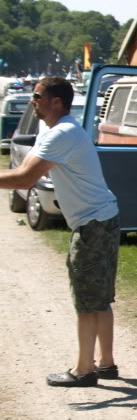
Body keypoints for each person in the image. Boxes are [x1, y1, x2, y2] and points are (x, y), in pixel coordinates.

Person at [0, 76, 120, 387]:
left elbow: (25, 178)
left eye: (38, 96)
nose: (32, 100)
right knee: (100, 296)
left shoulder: (62, 133)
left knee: (86, 299)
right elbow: (27, 164)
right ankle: (105, 363)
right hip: (104, 218)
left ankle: (84, 370)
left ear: (56, 101)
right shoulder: (60, 129)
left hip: (92, 225)